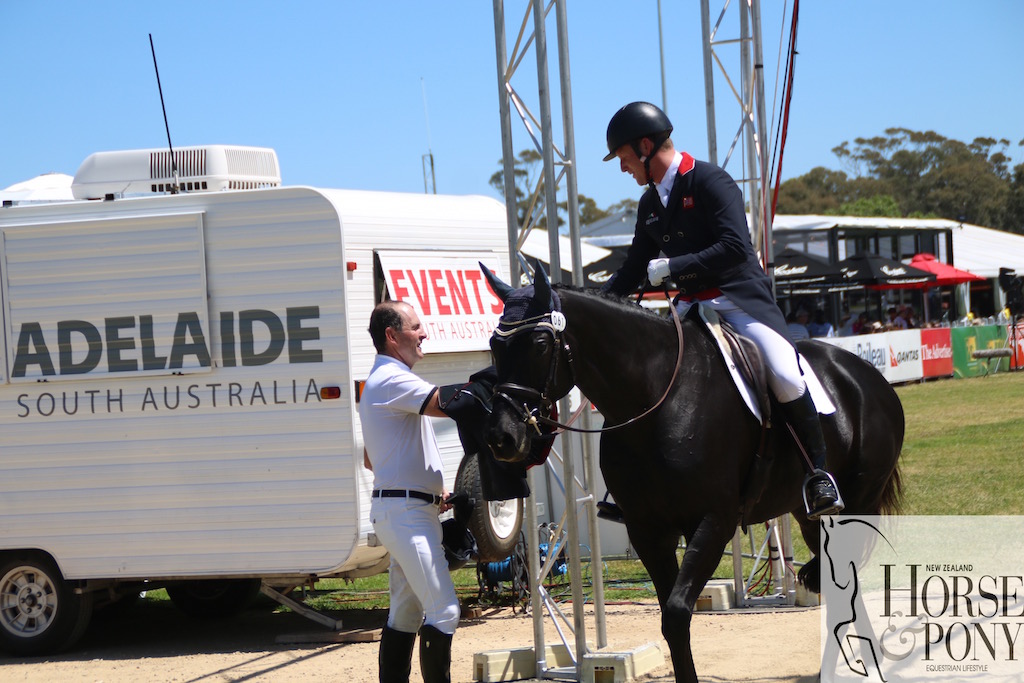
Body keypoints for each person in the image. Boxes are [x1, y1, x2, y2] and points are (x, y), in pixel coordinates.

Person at [600, 101, 842, 520]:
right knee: (650, 374)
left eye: (623, 158)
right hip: (693, 306)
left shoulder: (710, 181)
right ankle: (643, 488)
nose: (623, 169)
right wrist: (596, 303)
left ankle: (818, 474)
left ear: (644, 146)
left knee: (784, 372)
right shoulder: (650, 204)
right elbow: (634, 268)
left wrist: (674, 266)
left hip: (739, 301)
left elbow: (735, 248)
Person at [359, 300, 459, 683]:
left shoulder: (381, 379)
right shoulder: (392, 377)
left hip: (408, 510)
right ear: (391, 335)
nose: (424, 333)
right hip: (406, 516)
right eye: (416, 327)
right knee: (444, 611)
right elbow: (444, 404)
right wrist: (493, 382)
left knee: (405, 614)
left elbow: (372, 460)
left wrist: (431, 492)